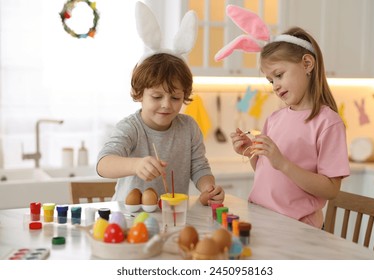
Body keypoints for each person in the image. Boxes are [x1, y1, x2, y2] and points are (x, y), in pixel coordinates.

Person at [217, 5, 350, 228]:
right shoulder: (275, 118)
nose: (275, 86)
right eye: (270, 80)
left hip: (297, 228)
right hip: (262, 218)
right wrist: (252, 152)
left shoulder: (328, 122)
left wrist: (283, 163)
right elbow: (267, 171)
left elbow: (331, 189)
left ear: (307, 64)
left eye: (279, 75)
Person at [97, 2, 224, 206]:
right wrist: (136, 165)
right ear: (140, 94)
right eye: (157, 97)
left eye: (175, 98)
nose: (166, 105)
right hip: (131, 219)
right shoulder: (131, 128)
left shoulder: (189, 127)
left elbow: (200, 167)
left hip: (172, 214)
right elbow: (103, 164)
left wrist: (208, 187)